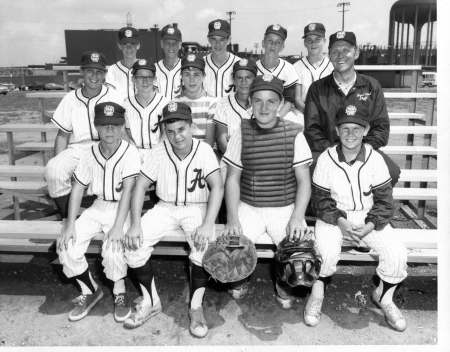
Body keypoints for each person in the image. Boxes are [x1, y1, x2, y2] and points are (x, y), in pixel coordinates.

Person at [123, 101, 223, 337]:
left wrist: (208, 223)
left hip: (196, 207)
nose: (176, 136)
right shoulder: (158, 151)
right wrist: (135, 224)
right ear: (164, 132)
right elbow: (140, 186)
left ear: (191, 126)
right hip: (164, 207)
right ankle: (151, 301)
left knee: (203, 247)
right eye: (170, 131)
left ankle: (196, 307)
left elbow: (217, 187)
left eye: (181, 129)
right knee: (133, 244)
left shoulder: (205, 150)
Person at [308, 103, 407, 332]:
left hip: (369, 216)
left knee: (397, 253)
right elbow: (320, 201)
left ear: (366, 130)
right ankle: (317, 294)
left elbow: (384, 202)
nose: (350, 134)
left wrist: (369, 226)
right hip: (334, 217)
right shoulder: (326, 158)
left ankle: (385, 298)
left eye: (356, 128)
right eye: (345, 129)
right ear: (336, 130)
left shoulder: (375, 158)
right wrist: (341, 222)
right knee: (324, 251)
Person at [222, 74, 312, 302]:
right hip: (249, 206)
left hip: (284, 207)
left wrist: (297, 216)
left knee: (298, 253)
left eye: (271, 101)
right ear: (251, 101)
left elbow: (304, 182)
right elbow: (232, 179)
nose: (264, 107)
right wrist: (232, 218)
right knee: (229, 250)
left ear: (280, 103)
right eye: (258, 100)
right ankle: (241, 278)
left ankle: (284, 283)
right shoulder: (241, 132)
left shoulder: (294, 133)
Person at [57, 102, 141, 323]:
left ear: (123, 127)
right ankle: (90, 289)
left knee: (114, 248)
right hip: (98, 206)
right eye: (104, 125)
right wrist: (70, 225)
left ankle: (119, 292)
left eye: (115, 125)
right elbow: (77, 189)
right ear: (96, 126)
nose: (110, 130)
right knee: (66, 246)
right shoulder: (89, 152)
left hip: (122, 209)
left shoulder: (130, 151)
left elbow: (129, 191)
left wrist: (117, 226)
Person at [304, 30, 401, 185]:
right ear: (329, 55)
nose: (340, 55)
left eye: (346, 50)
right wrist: (335, 152)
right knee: (308, 174)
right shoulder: (317, 88)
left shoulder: (371, 86)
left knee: (392, 172)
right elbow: (312, 129)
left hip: (363, 150)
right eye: (335, 51)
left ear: (356, 53)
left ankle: (372, 207)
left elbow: (381, 128)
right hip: (327, 151)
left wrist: (361, 150)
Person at [45, 51, 120, 219]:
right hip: (77, 148)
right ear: (82, 72)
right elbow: (62, 135)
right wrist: (60, 160)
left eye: (99, 72)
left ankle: (107, 218)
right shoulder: (70, 98)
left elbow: (121, 130)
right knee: (54, 170)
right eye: (90, 71)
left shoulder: (114, 96)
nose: (94, 76)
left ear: (105, 74)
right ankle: (69, 218)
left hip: (106, 146)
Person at [123, 58, 168, 159]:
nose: (145, 81)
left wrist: (156, 154)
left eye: (149, 77)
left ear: (155, 79)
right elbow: (125, 133)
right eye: (140, 77)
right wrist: (134, 153)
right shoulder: (126, 105)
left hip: (159, 153)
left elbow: (166, 133)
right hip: (133, 153)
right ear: (133, 79)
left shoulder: (164, 103)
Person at [213, 58, 256, 157]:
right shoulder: (223, 104)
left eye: (248, 77)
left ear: (255, 79)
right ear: (233, 79)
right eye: (239, 78)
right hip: (231, 162)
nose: (243, 82)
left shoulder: (262, 101)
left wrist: (234, 141)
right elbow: (222, 142)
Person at [256, 24, 302, 114]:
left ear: (282, 46)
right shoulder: (254, 68)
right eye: (270, 41)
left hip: (280, 115)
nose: (273, 45)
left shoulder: (289, 69)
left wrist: (277, 119)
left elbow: (289, 101)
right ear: (263, 43)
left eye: (278, 42)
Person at [175, 53, 217, 146]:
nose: (191, 79)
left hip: (204, 155)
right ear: (181, 76)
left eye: (196, 74)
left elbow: (209, 142)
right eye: (187, 74)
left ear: (203, 76)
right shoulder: (175, 103)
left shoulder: (212, 103)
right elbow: (175, 138)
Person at [293, 23, 333, 112]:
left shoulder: (333, 66)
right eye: (309, 40)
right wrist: (311, 115)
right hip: (303, 113)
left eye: (317, 40)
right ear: (305, 43)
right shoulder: (296, 67)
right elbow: (298, 100)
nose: (313, 43)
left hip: (329, 113)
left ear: (324, 41)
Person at [203, 19, 241, 98]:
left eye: (222, 39)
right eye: (214, 39)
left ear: (229, 40)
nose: (217, 44)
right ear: (208, 39)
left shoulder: (239, 64)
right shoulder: (200, 64)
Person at [105, 26, 141, 101]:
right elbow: (110, 97)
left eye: (133, 43)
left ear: (138, 45)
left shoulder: (147, 68)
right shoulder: (112, 70)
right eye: (125, 43)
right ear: (119, 46)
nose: (129, 47)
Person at [154, 24, 182, 100]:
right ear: (162, 44)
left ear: (180, 45)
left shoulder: (187, 69)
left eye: (174, 43)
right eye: (167, 43)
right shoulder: (153, 69)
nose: (171, 46)